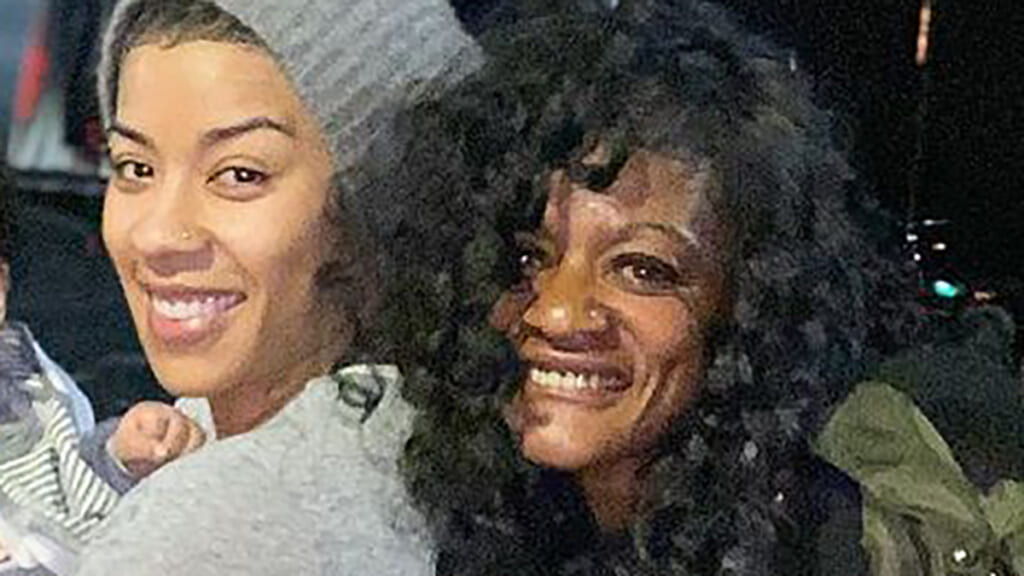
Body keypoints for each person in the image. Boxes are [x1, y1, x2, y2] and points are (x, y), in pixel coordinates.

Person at [380, 1, 918, 574]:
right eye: (528, 257)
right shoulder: (471, 517)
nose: (557, 312)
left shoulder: (830, 549)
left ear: (747, 309)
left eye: (641, 270)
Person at [73, 0, 481, 574]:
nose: (157, 234)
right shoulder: (438, 442)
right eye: (135, 167)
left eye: (240, 174)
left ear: (380, 202)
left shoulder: (213, 528)